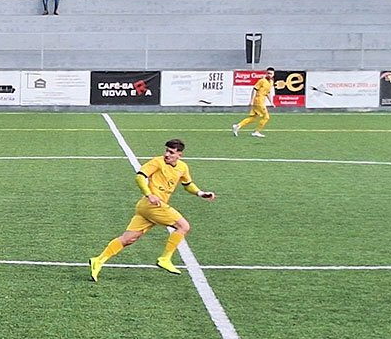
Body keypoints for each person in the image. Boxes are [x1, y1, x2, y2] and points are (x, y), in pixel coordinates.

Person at [89, 139, 216, 281]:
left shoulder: (182, 167)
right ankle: (165, 259)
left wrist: (200, 193)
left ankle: (98, 260)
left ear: (179, 154)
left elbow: (188, 184)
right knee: (183, 226)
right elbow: (140, 176)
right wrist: (149, 194)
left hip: (145, 208)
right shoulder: (157, 162)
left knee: (129, 238)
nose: (167, 154)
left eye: (171, 152)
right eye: (166, 151)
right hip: (153, 205)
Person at [233, 67, 274, 138]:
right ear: (266, 73)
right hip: (258, 101)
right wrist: (251, 100)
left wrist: (271, 102)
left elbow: (268, 93)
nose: (269, 75)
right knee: (266, 117)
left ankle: (238, 126)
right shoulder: (262, 81)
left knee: (253, 118)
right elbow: (254, 89)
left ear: (273, 74)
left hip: (261, 101)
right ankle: (257, 132)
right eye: (268, 73)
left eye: (271, 74)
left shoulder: (271, 82)